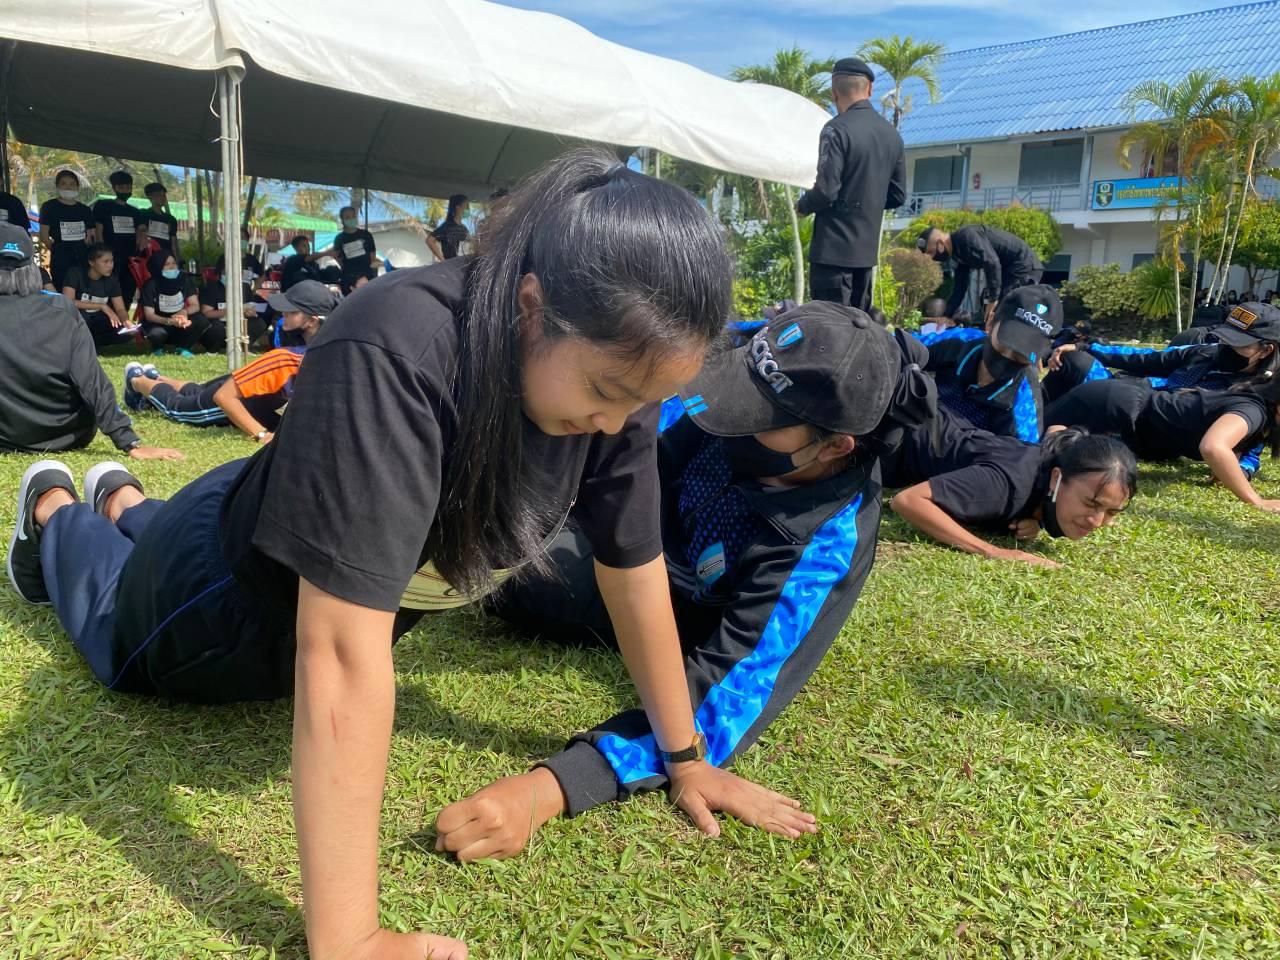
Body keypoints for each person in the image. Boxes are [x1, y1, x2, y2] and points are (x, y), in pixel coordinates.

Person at [7, 149, 808, 960]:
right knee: (109, 615)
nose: (617, 424)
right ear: (532, 305)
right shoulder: (398, 349)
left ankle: (122, 497)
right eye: (607, 394)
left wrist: (684, 758)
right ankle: (57, 507)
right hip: (215, 595)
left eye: (644, 403)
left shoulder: (618, 381)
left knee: (151, 522)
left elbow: (633, 574)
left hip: (273, 500)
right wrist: (349, 939)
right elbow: (340, 651)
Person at [439, 302, 936, 861]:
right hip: (625, 546)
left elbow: (725, 696)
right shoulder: (725, 400)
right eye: (739, 390)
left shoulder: (825, 545)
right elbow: (620, 456)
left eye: (760, 416)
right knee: (495, 548)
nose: (729, 418)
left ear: (835, 445)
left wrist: (549, 788)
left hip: (679, 601)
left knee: (517, 575)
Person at [0, 223, 179, 459]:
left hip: (7, 437)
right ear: (32, 268)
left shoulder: (63, 308)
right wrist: (129, 442)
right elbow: (90, 379)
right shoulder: (61, 309)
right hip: (67, 433)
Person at [884, 404, 1137, 567]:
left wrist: (1038, 519)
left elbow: (1056, 429)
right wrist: (993, 551)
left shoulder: (1051, 462)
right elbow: (908, 501)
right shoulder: (1008, 486)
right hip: (891, 431)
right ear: (1056, 478)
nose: (1097, 521)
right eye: (1091, 503)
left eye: (1111, 512)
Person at [1045, 368, 1279, 514]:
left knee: (1044, 438)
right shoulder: (1253, 410)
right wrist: (1255, 500)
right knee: (1032, 439)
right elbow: (1214, 447)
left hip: (1122, 407)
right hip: (1113, 406)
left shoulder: (1258, 410)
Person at [125, 280, 338, 440]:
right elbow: (223, 397)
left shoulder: (323, 353)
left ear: (312, 321)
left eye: (291, 312)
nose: (284, 315)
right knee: (177, 408)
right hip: (230, 399)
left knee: (197, 390)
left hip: (245, 395)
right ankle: (137, 380)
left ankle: (155, 377)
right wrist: (261, 435)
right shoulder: (287, 359)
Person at [795, 58, 906, 311]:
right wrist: (869, 201)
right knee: (859, 325)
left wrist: (802, 206)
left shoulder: (836, 130)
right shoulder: (892, 135)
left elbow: (826, 191)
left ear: (834, 92)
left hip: (832, 252)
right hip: (865, 256)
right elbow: (898, 195)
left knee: (830, 326)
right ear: (870, 89)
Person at [1044, 301, 1280, 402]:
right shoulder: (1206, 352)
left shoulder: (1261, 390)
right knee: (1074, 359)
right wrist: (1087, 347)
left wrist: (1244, 469)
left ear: (1265, 350)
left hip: (1154, 424)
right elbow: (1145, 356)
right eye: (1226, 339)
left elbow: (1255, 434)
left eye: (1238, 343)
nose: (1227, 347)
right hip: (1128, 395)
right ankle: (1033, 421)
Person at [921, 284, 1064, 443]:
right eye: (1004, 343)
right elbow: (903, 347)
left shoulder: (1024, 401)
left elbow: (1023, 453)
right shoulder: (959, 341)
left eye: (1021, 354)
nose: (1008, 356)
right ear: (990, 322)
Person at [918, 225, 1044, 321]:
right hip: (1009, 271)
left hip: (1024, 266)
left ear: (940, 243)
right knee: (997, 315)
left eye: (931, 252)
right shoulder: (958, 254)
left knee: (1005, 310)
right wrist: (946, 316)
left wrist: (993, 299)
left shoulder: (966, 237)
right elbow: (960, 287)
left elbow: (992, 262)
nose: (931, 258)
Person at [139, 249, 219, 356]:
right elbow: (149, 315)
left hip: (181, 322)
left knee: (201, 320)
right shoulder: (150, 285)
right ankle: (158, 349)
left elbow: (195, 305)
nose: (172, 267)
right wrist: (170, 321)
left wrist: (184, 312)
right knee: (156, 334)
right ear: (158, 267)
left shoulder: (184, 280)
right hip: (159, 323)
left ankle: (183, 347)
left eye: (174, 263)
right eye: (167, 264)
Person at [60, 244, 134, 348]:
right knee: (81, 324)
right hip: (79, 318)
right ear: (91, 262)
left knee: (125, 333)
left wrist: (126, 321)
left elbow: (120, 309)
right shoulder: (75, 273)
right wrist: (102, 306)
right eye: (105, 262)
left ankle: (91, 341)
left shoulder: (112, 280)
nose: (110, 265)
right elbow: (68, 301)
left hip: (99, 320)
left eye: (112, 261)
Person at [92, 171, 146, 311]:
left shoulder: (135, 212)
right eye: (121, 187)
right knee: (107, 291)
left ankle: (123, 320)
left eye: (128, 187)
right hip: (110, 258)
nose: (125, 190)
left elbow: (141, 231)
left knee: (127, 291)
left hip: (129, 260)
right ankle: (107, 319)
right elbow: (98, 229)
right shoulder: (104, 205)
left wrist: (139, 249)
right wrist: (101, 252)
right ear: (114, 188)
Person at [38, 170, 95, 290]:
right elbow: (44, 236)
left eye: (72, 184)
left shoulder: (84, 209)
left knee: (82, 289)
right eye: (63, 183)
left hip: (82, 256)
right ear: (57, 186)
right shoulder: (49, 207)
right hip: (60, 257)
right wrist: (58, 249)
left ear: (77, 187)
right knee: (61, 288)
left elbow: (90, 235)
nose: (68, 187)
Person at [201, 254, 269, 347]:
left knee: (259, 323)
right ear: (221, 270)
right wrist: (228, 311)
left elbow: (251, 308)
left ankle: (243, 345)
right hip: (220, 323)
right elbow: (207, 313)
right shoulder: (212, 287)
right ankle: (217, 346)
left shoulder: (245, 287)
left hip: (240, 323)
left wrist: (250, 313)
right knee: (216, 327)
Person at [323, 206, 379, 293]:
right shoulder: (339, 238)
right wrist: (349, 269)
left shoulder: (366, 234)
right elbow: (338, 258)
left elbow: (372, 254)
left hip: (367, 275)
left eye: (353, 216)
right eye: (347, 217)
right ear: (342, 220)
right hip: (348, 278)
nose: (351, 219)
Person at [427, 194, 470, 261]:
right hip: (451, 265)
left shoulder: (464, 228)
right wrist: (443, 260)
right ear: (458, 207)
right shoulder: (448, 226)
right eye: (467, 206)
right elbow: (429, 240)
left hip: (462, 265)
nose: (468, 209)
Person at [141, 182, 179, 253]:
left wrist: (175, 258)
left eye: (164, 195)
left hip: (167, 256)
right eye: (158, 195)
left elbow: (173, 245)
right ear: (149, 197)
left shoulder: (171, 219)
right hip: (149, 255)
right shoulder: (143, 214)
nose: (162, 198)